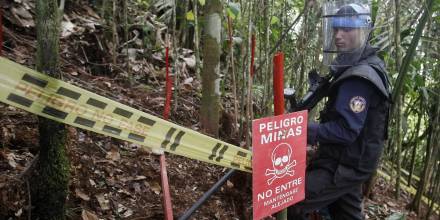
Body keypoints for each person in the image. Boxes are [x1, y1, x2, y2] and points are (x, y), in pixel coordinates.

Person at [287, 1, 391, 219]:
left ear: (363, 31)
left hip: (347, 164)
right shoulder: (363, 64)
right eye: (336, 29)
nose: (338, 35)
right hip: (350, 158)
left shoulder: (359, 78)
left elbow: (346, 131)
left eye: (347, 29)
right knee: (345, 212)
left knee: (292, 200)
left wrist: (302, 130)